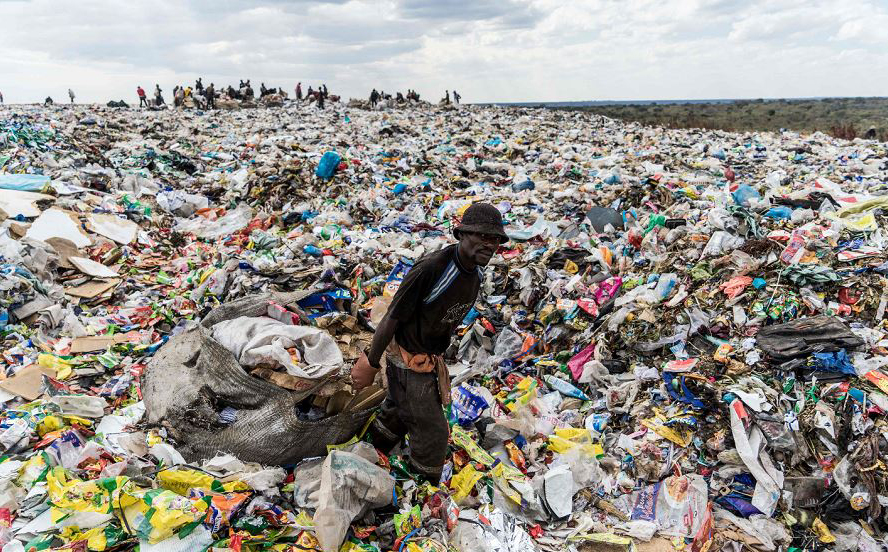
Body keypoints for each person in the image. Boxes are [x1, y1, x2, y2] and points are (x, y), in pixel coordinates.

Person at [352, 203, 509, 482]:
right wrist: (371, 362)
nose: (490, 244)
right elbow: (392, 317)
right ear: (462, 234)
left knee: (399, 412)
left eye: (495, 239)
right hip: (407, 359)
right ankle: (422, 490)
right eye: (482, 237)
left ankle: (368, 451)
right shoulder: (433, 268)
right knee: (433, 433)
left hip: (427, 360)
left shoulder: (473, 276)